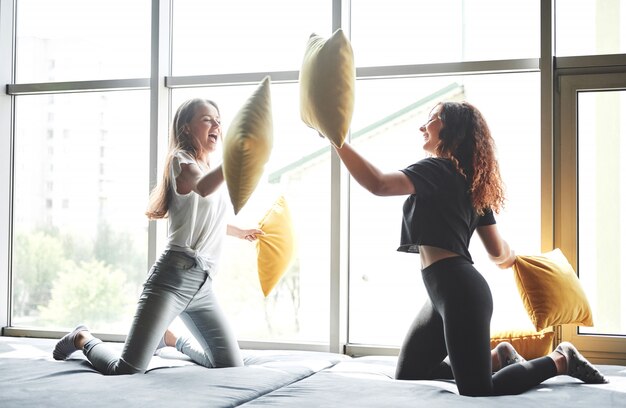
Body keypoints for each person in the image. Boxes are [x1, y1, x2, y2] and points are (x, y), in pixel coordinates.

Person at [331, 100, 607, 396]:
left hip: (460, 292)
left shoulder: (437, 169)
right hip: (443, 294)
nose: (423, 126)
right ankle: (497, 358)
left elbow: (380, 184)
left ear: (453, 130)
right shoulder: (473, 185)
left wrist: (339, 141)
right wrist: (513, 257)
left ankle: (560, 360)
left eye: (432, 119)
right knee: (410, 372)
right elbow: (498, 253)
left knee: (476, 389)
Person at [52, 98, 264, 374]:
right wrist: (235, 159)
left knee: (229, 365)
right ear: (186, 128)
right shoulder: (181, 162)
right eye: (207, 119)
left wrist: (240, 231)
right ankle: (82, 338)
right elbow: (202, 188)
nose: (216, 125)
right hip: (171, 280)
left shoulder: (208, 168)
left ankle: (171, 340)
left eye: (218, 120)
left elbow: (209, 218)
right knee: (126, 369)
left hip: (203, 285)